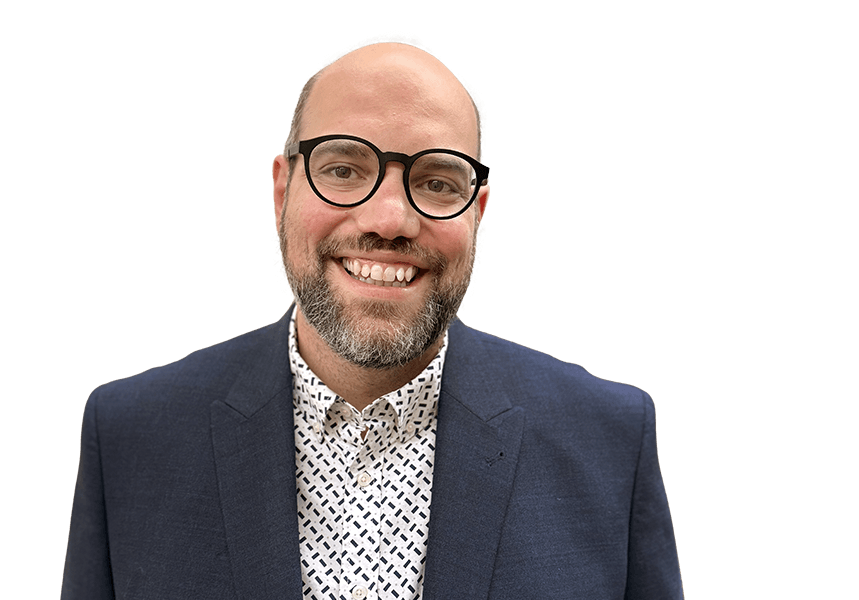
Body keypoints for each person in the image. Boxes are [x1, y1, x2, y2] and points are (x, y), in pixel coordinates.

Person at [62, 37, 683, 599]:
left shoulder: (609, 441)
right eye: (342, 169)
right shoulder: (130, 439)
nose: (388, 220)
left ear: (477, 214)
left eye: (437, 181)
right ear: (281, 190)